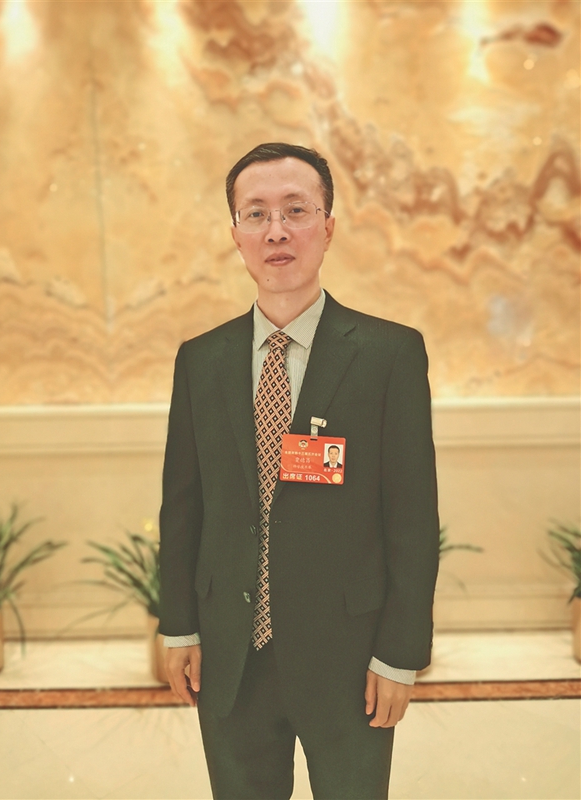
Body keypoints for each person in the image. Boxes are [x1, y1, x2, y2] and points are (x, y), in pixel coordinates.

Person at [159, 142, 439, 800]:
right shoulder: (201, 360)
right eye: (256, 213)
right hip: (230, 656)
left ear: (328, 227)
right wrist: (180, 625)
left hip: (350, 659)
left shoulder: (389, 355)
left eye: (295, 210)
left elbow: (412, 517)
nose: (276, 230)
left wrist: (400, 653)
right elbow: (183, 504)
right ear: (236, 234)